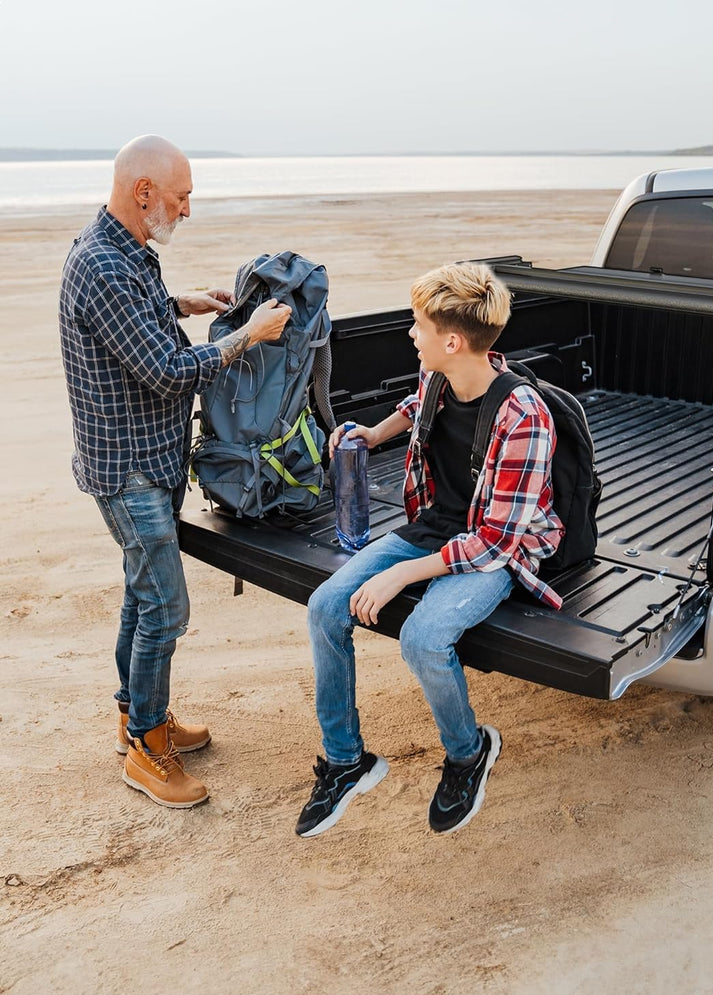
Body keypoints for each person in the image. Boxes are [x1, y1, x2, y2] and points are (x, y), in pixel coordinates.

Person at [58, 135, 293, 809]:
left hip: (145, 460)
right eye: (181, 196)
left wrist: (182, 304)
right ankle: (147, 753)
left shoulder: (126, 251)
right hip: (127, 470)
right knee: (167, 606)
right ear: (143, 193)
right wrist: (246, 336)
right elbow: (165, 371)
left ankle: (139, 719)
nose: (187, 210)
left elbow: (137, 322)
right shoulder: (103, 266)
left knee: (142, 595)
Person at [297, 262, 564, 838]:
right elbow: (417, 407)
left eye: (417, 325)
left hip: (495, 549)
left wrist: (401, 577)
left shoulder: (524, 415)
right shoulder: (442, 377)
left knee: (423, 637)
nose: (410, 334)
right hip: (434, 527)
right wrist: (372, 433)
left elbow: (494, 540)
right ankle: (346, 762)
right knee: (324, 607)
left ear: (452, 339)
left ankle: (468, 752)